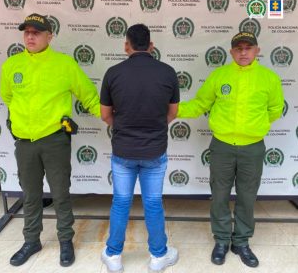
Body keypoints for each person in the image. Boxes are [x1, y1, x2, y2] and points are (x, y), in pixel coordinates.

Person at [0, 13, 100, 267]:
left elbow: (89, 97)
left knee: (60, 193)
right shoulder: (12, 65)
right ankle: (31, 240)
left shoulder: (64, 65)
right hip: (24, 142)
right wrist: (21, 124)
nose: (30, 36)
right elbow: (9, 97)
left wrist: (112, 117)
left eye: (37, 32)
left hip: (54, 140)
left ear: (49, 36)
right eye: (27, 32)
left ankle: (66, 240)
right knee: (31, 195)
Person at [178, 32, 284, 268]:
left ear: (257, 50)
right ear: (231, 52)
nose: (243, 53)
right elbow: (200, 104)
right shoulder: (219, 76)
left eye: (248, 48)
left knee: (247, 196)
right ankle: (222, 240)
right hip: (222, 146)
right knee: (219, 195)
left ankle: (242, 242)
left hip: (252, 148)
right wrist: (173, 111)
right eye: (239, 49)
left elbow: (275, 109)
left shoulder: (269, 78)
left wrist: (257, 126)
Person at [100, 24, 179, 273]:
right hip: (154, 151)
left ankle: (113, 255)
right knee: (153, 204)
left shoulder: (113, 73)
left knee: (121, 203)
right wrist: (155, 126)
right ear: (151, 45)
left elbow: (105, 115)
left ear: (127, 45)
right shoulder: (167, 72)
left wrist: (123, 126)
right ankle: (159, 256)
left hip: (123, 151)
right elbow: (173, 112)